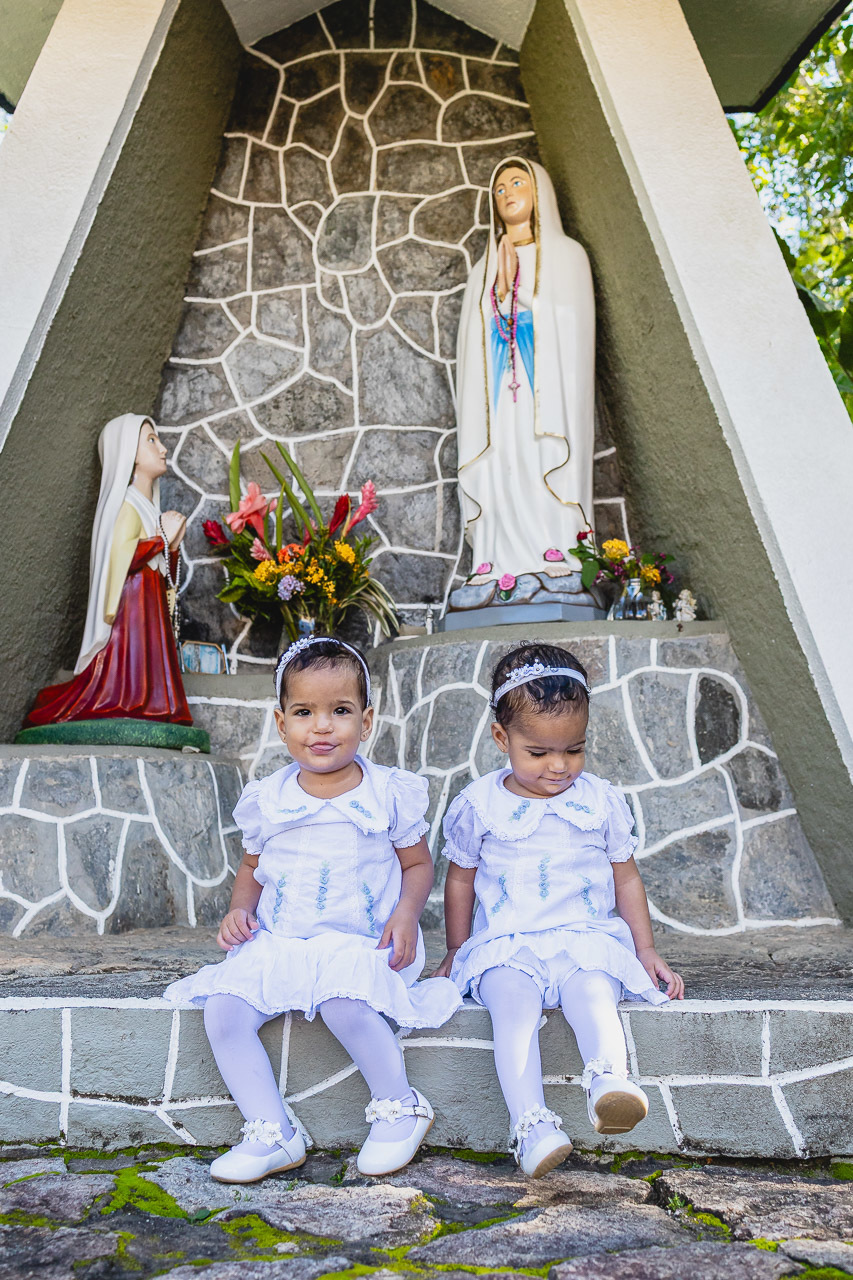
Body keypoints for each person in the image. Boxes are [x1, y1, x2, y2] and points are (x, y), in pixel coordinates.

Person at [165, 636, 462, 1184]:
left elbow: (419, 865)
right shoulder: (269, 798)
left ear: (366, 721)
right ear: (281, 723)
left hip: (361, 940)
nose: (322, 726)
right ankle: (270, 1128)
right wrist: (238, 911)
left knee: (344, 1003)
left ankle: (400, 1107)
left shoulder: (385, 794)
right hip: (283, 938)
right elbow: (253, 867)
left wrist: (405, 917)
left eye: (340, 711)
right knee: (224, 1010)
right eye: (304, 712)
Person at [435, 642, 684, 1179]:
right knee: (513, 1011)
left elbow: (626, 875)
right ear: (502, 739)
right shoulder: (480, 805)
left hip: (584, 935)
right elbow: (460, 879)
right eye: (539, 752)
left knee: (594, 990)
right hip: (507, 941)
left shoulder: (598, 800)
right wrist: (457, 950)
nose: (558, 766)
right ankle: (531, 1124)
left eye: (574, 750)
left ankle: (608, 1081)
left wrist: (644, 950)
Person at [455, 158, 596, 581]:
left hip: (544, 384)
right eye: (499, 189)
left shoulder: (567, 256)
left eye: (517, 182)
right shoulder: (483, 267)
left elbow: (575, 326)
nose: (508, 193)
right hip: (499, 388)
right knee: (502, 456)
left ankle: (553, 541)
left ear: (540, 193)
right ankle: (495, 553)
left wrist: (527, 300)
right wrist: (497, 293)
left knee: (538, 451)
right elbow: (472, 340)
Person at [23, 414, 191, 726]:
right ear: (129, 452)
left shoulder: (148, 505)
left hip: (149, 602)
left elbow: (162, 566)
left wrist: (172, 545)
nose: (163, 449)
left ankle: (151, 700)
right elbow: (121, 556)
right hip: (132, 605)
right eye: (151, 441)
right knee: (127, 673)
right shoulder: (126, 503)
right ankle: (128, 698)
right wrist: (161, 539)